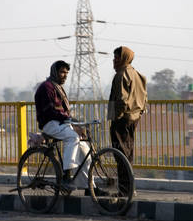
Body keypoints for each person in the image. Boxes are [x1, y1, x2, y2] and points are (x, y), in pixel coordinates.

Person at [34, 60, 105, 195]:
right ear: (54, 72)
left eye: (66, 73)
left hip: (60, 122)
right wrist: (70, 121)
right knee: (72, 137)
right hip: (50, 123)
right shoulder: (47, 87)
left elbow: (64, 113)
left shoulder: (57, 87)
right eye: (62, 72)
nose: (64, 76)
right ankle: (66, 177)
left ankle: (89, 187)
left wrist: (74, 122)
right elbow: (51, 112)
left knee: (84, 149)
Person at [108, 46, 147, 196]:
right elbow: (144, 98)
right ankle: (130, 189)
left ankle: (124, 191)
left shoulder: (121, 74)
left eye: (117, 57)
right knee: (128, 154)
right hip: (134, 118)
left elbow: (122, 101)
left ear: (124, 58)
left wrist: (116, 117)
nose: (114, 60)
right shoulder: (138, 74)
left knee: (120, 155)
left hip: (122, 120)